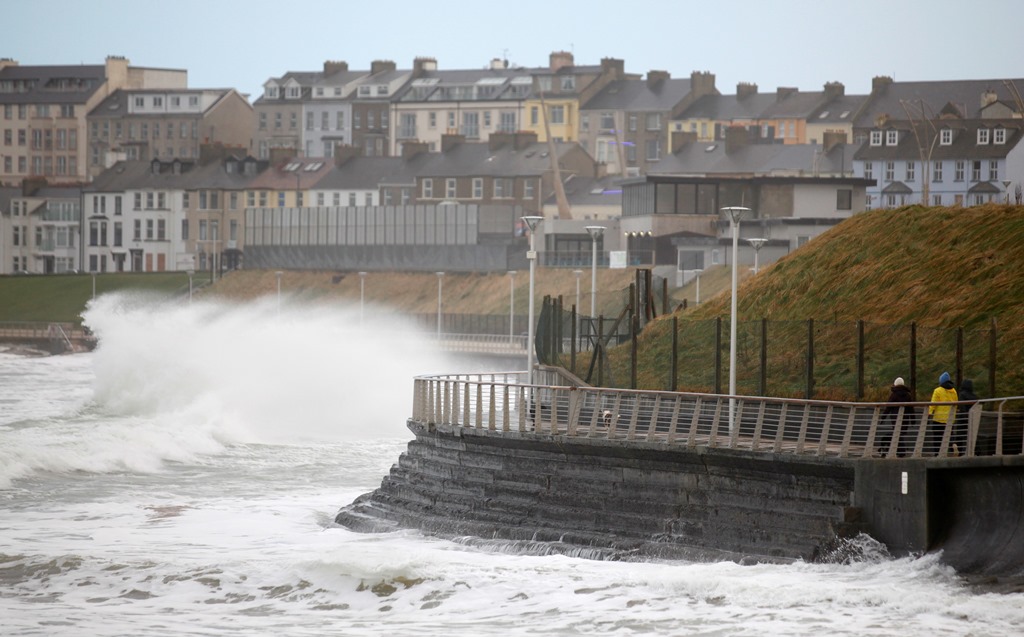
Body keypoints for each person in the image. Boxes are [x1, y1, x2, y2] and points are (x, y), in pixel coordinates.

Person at [881, 377, 915, 457]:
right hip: (905, 418)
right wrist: (913, 419)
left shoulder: (894, 395)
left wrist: (883, 417)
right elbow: (911, 408)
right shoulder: (908, 395)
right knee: (900, 434)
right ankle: (897, 450)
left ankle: (900, 451)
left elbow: (888, 407)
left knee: (897, 434)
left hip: (895, 418)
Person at [927, 371, 958, 456]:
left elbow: (933, 404)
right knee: (949, 436)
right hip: (950, 419)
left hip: (938, 419)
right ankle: (952, 446)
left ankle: (938, 454)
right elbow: (956, 405)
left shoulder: (938, 391)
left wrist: (929, 414)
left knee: (938, 438)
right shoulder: (954, 391)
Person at [954, 379, 980, 455]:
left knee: (960, 436)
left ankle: (958, 452)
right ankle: (977, 452)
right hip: (972, 419)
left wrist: (964, 416)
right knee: (973, 437)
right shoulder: (974, 396)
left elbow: (962, 408)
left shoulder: (962, 394)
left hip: (963, 420)